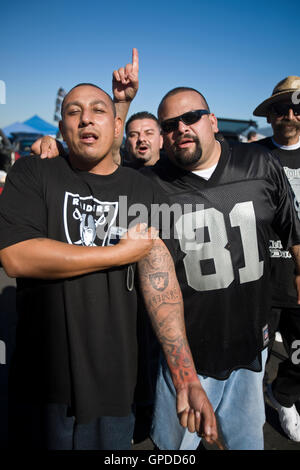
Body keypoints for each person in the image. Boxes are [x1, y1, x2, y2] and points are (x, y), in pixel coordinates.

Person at [0, 82, 218, 450]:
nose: (86, 118)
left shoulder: (142, 189)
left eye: (98, 110)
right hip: (43, 385)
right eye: (73, 111)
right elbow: (17, 256)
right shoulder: (33, 173)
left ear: (117, 125)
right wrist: (117, 254)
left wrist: (186, 380)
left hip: (117, 387)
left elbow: (159, 285)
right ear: (61, 128)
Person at [143, 86, 300, 451]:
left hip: (252, 349)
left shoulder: (259, 163)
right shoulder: (150, 186)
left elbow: (293, 233)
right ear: (163, 138)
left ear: (212, 121)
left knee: (246, 444)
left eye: (191, 117)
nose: (181, 127)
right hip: (188, 356)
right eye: (169, 124)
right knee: (174, 452)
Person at [253, 76, 300, 442]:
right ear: (269, 116)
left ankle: (284, 399)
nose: (289, 114)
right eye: (280, 108)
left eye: (296, 107)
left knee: (298, 358)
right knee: (254, 358)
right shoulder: (252, 158)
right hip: (260, 278)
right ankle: (249, 411)